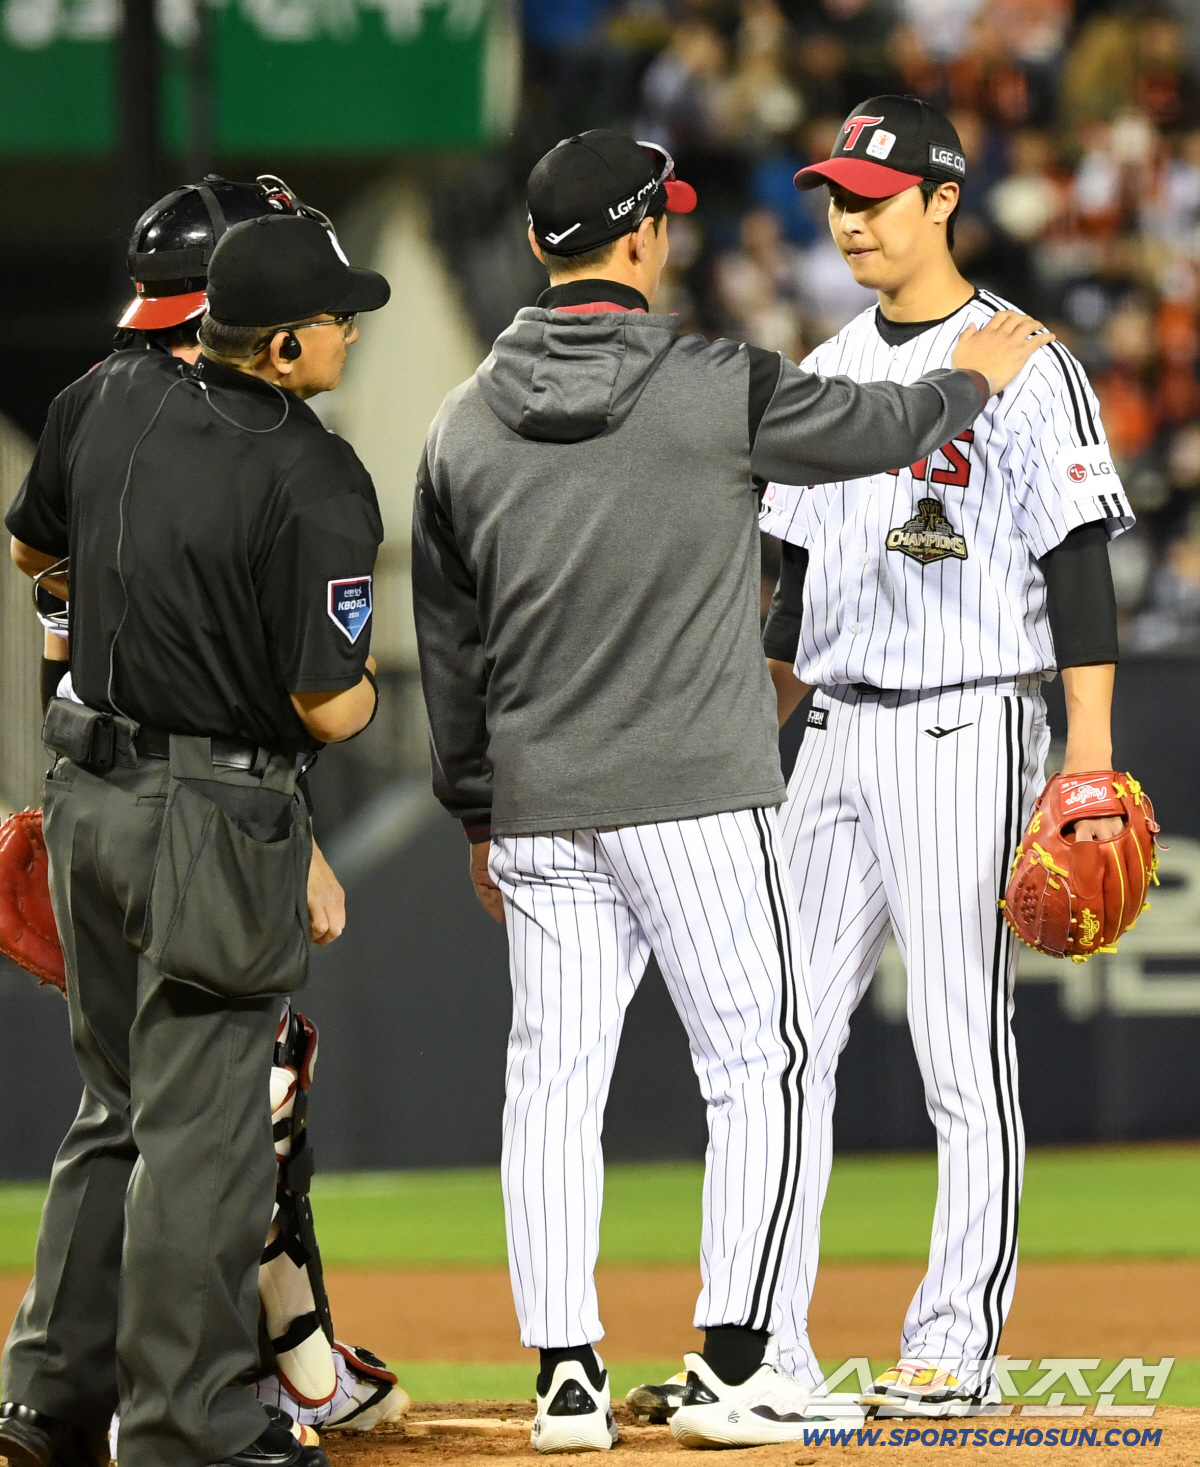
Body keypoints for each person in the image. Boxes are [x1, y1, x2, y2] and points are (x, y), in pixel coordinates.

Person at [411, 127, 1055, 1452]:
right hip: (695, 787)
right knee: (756, 1060)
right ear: (645, 238)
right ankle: (738, 1360)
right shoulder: (713, 384)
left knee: (550, 1078)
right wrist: (967, 381)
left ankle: (566, 1377)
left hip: (538, 795)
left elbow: (450, 647)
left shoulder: (461, 421)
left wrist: (475, 805)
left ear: (541, 245)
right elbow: (878, 428)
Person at [647, 96, 1130, 1422]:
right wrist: (749, 728)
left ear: (940, 199)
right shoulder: (830, 359)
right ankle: (753, 1345)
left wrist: (1084, 762)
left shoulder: (1028, 362)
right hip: (832, 731)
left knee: (962, 1055)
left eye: (873, 192)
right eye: (836, 195)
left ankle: (952, 1343)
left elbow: (1081, 567)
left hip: (966, 719)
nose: (849, 215)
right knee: (775, 1041)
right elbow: (790, 582)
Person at [0, 210, 388, 1467]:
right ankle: (185, 1427)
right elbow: (330, 700)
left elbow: (32, 551)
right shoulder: (315, 470)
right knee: (206, 1135)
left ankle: (44, 1407)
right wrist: (364, 690)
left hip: (86, 799)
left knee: (113, 1109)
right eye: (334, 317)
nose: (348, 330)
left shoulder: (103, 400)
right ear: (280, 346)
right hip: (212, 816)